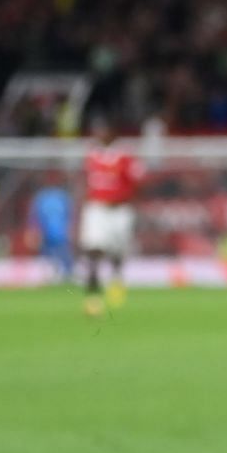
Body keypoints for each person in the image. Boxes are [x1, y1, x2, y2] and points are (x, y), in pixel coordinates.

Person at [79, 125, 142, 316]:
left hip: (119, 210)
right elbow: (86, 182)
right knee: (93, 250)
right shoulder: (92, 155)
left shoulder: (125, 156)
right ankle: (93, 298)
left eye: (105, 130)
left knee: (117, 251)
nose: (101, 133)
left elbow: (137, 181)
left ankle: (116, 281)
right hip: (97, 209)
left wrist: (129, 201)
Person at [27, 174, 74, 282]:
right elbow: (34, 216)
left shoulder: (63, 197)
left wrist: (70, 229)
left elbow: (70, 215)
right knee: (47, 256)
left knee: (63, 254)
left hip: (60, 233)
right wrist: (33, 231)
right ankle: (52, 276)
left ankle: (67, 275)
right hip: (45, 233)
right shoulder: (41, 197)